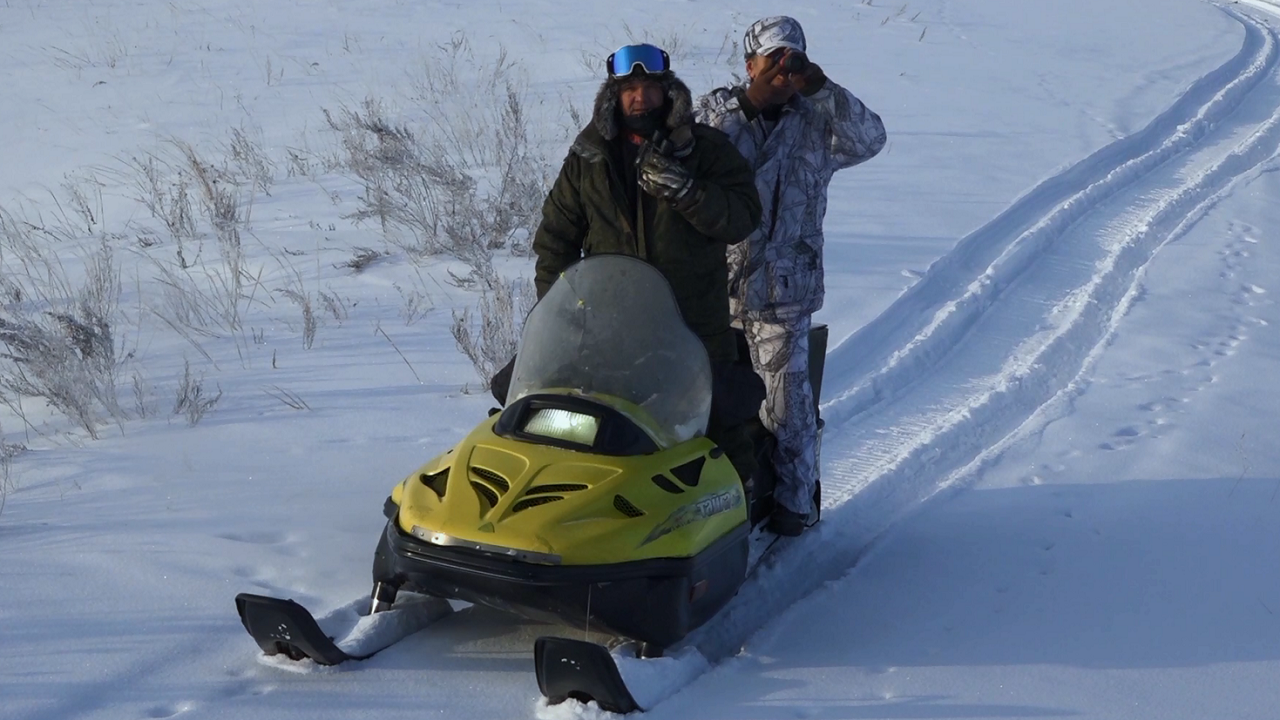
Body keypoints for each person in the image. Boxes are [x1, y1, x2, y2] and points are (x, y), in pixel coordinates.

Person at [523, 43, 764, 479]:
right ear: (613, 96)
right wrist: (561, 312)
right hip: (611, 327)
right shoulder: (588, 157)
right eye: (629, 88)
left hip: (693, 324)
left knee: (715, 428)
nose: (640, 98)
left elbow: (742, 217)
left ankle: (737, 514)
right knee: (600, 429)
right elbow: (555, 240)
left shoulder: (706, 151)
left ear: (668, 93)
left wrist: (689, 193)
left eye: (650, 88)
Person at [695, 16, 887, 536]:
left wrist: (818, 86)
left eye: (791, 60)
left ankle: (796, 506)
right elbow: (689, 153)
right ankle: (717, 511)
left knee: (787, 411)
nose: (782, 72)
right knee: (705, 407)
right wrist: (750, 101)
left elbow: (872, 139)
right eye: (772, 60)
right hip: (718, 292)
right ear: (750, 64)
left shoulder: (817, 121)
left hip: (784, 292)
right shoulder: (719, 111)